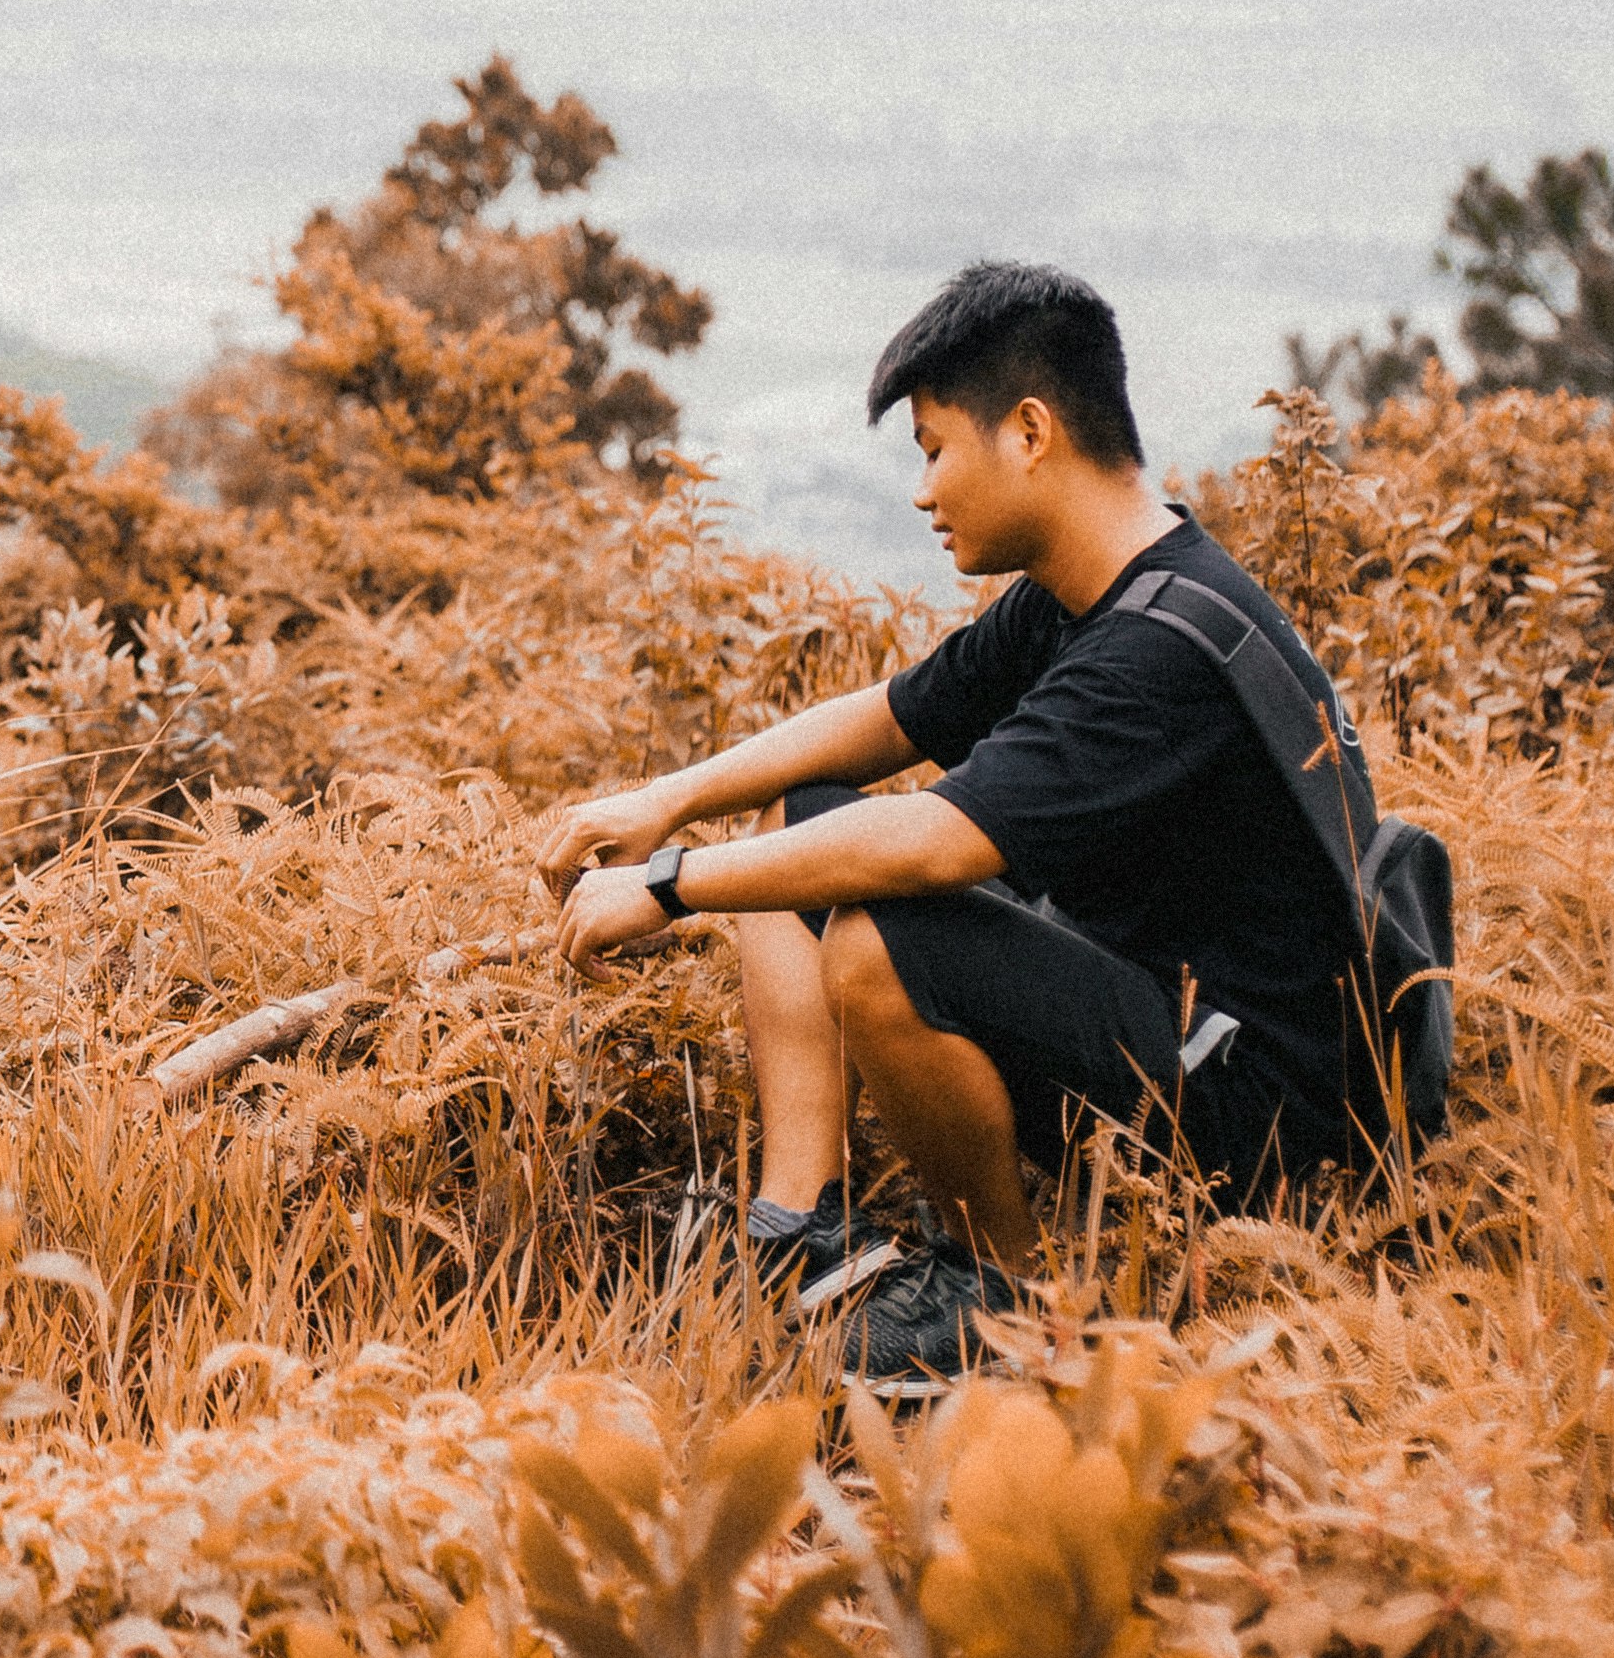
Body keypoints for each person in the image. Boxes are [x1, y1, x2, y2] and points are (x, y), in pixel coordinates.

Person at [532, 259, 1381, 1385]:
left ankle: (1007, 1305)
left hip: (1255, 1107)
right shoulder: (1104, 588)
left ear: (1029, 432)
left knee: (886, 943)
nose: (924, 492)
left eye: (934, 448)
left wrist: (670, 882)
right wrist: (668, 797)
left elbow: (937, 841)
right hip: (1158, 988)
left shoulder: (1152, 651)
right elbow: (890, 719)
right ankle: (798, 1229)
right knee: (809, 815)